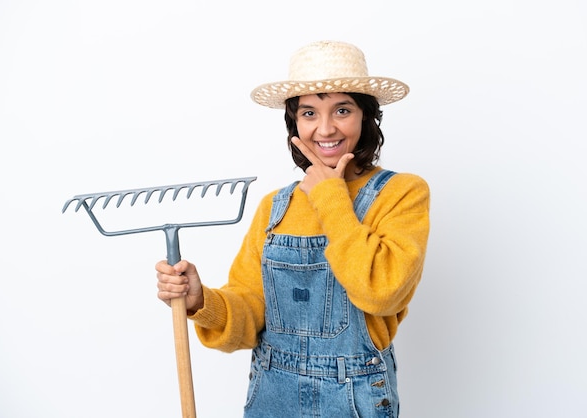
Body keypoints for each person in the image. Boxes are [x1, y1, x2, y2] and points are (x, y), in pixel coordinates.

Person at [155, 40, 430, 417]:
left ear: (365, 116)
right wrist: (201, 301)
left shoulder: (401, 193)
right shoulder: (275, 207)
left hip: (353, 399)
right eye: (309, 113)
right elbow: (250, 314)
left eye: (342, 110)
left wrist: (331, 195)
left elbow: (381, 292)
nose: (326, 128)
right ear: (294, 122)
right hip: (272, 396)